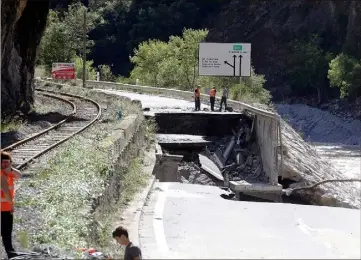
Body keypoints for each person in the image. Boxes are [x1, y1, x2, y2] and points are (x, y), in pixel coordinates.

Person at [1, 151, 21, 259]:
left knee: (7, 233)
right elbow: (5, 190)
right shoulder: (1, 174)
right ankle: (11, 253)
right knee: (5, 233)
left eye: (7, 163)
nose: (4, 165)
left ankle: (10, 253)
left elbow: (19, 175)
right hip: (3, 209)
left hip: (6, 209)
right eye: (2, 162)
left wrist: (11, 169)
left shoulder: (9, 172)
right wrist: (12, 205)